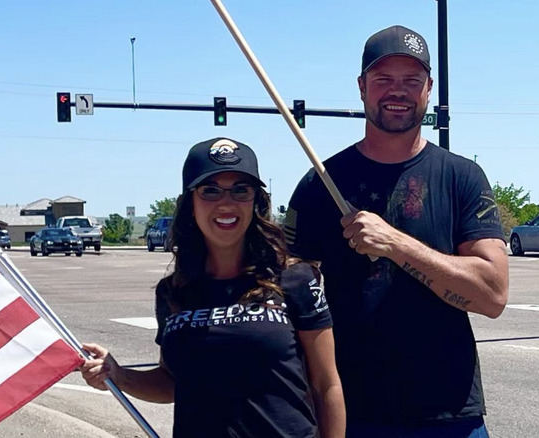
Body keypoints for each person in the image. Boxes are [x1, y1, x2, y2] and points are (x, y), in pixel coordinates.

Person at [282, 25, 509, 437]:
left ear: (428, 89)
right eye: (383, 79)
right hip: (351, 414)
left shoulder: (462, 178)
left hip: (449, 416)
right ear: (362, 87)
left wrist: (395, 244)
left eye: (411, 80)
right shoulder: (320, 183)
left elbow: (493, 296)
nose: (397, 91)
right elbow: (286, 293)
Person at [80, 137, 346, 437]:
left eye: (240, 190)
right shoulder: (173, 292)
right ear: (190, 203)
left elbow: (326, 385)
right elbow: (172, 382)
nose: (226, 202)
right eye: (210, 191)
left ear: (256, 201)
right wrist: (118, 375)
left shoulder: (295, 278)